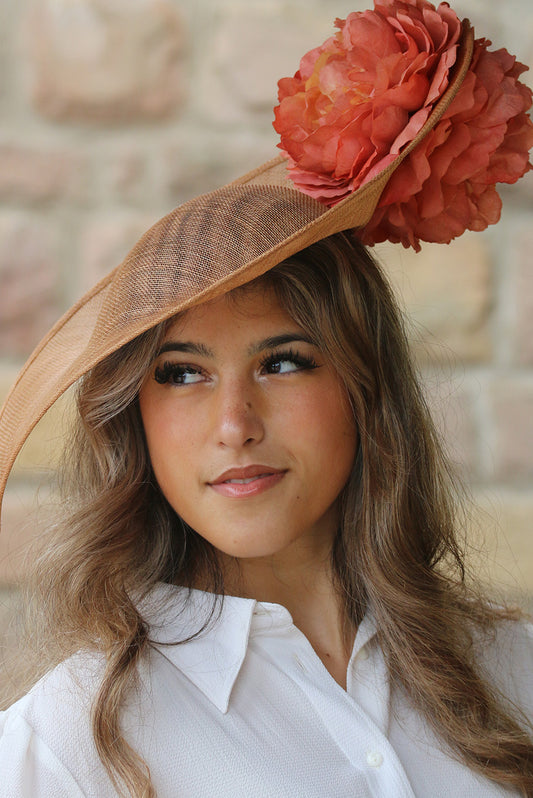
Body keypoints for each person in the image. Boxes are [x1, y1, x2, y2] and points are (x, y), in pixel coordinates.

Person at [0, 2, 532, 797]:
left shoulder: (513, 671)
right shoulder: (65, 745)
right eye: (181, 374)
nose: (234, 425)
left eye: (282, 363)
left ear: (364, 385)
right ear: (133, 418)